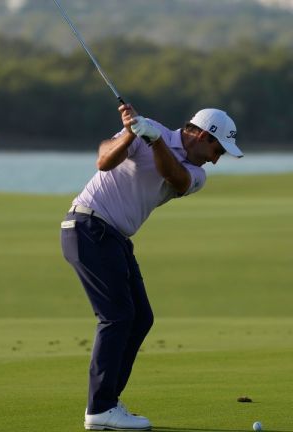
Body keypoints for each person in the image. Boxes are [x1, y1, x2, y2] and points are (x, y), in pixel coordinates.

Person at [61, 104, 242, 431]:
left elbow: (174, 176)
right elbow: (103, 161)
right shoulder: (145, 130)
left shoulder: (196, 174)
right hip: (90, 227)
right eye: (217, 150)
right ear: (202, 135)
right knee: (117, 316)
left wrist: (155, 139)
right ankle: (100, 408)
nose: (216, 159)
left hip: (112, 237)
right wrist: (131, 131)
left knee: (140, 318)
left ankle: (108, 403)